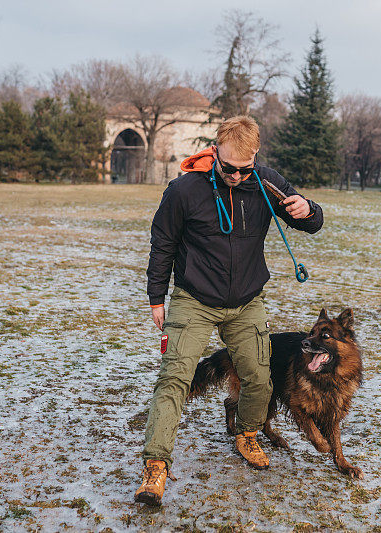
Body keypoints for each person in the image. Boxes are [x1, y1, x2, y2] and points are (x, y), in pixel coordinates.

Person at [135, 115, 325, 506]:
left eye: (244, 169)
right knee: (174, 379)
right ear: (215, 151)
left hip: (246, 302)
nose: (236, 176)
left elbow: (312, 223)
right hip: (194, 299)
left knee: (259, 377)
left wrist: (309, 210)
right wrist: (157, 297)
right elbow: (163, 243)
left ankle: (247, 433)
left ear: (255, 156)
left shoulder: (266, 182)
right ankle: (156, 465)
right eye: (227, 168)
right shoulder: (184, 190)